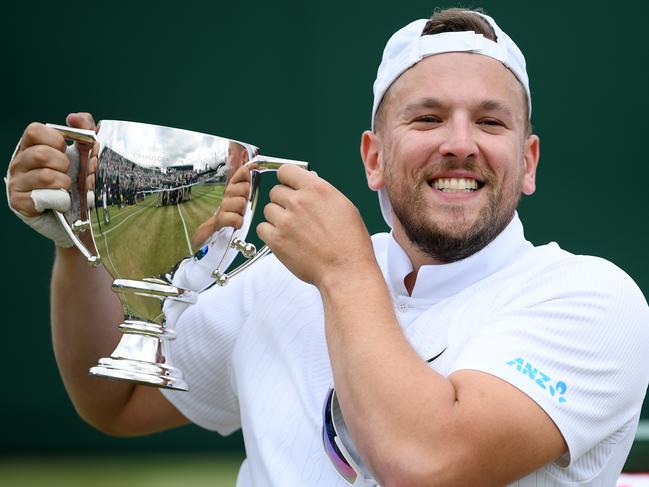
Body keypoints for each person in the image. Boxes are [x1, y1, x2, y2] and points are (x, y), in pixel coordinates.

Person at [5, 7, 649, 487]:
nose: (460, 143)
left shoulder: (593, 300)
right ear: (373, 158)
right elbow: (114, 401)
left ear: (528, 162)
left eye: (490, 121)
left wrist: (344, 270)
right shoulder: (282, 280)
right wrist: (82, 244)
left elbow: (427, 463)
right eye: (426, 118)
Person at [191, 140, 253, 249]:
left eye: (229, 154)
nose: (226, 162)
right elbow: (195, 242)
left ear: (244, 157)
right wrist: (215, 223)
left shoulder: (250, 206)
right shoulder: (232, 195)